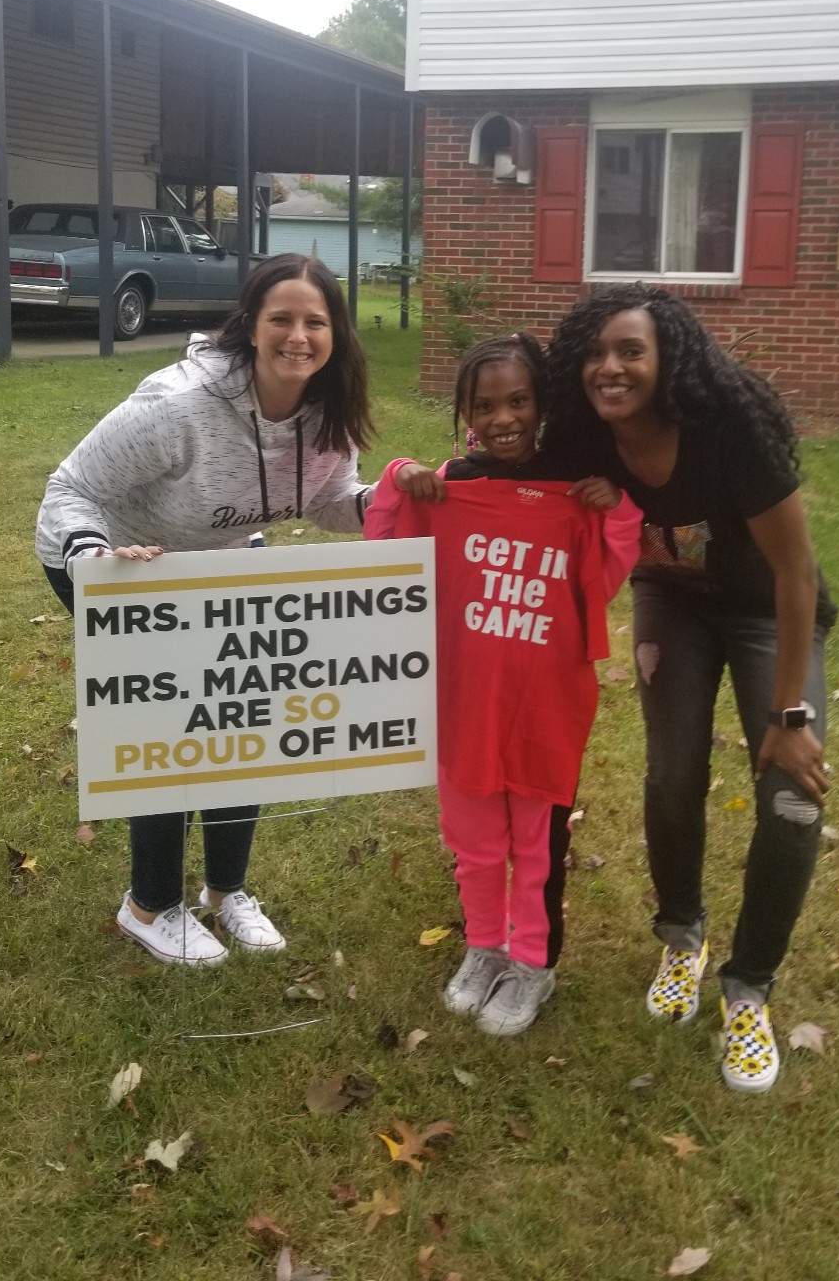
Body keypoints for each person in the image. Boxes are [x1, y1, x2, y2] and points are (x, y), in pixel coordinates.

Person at [35, 253, 374, 967]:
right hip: (116, 563)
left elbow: (332, 505)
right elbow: (70, 487)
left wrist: (396, 504)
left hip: (213, 568)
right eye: (281, 318)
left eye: (315, 321)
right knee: (174, 726)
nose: (298, 335)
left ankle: (227, 892)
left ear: (336, 332)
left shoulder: (326, 410)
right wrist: (94, 557)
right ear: (250, 325)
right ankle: (149, 905)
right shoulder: (178, 405)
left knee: (241, 718)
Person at [542, 287, 835, 1093]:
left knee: (791, 796)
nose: (611, 367)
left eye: (631, 350)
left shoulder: (728, 430)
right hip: (670, 601)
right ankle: (682, 938)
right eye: (597, 352)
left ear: (667, 359)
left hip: (763, 612)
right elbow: (508, 475)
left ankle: (749, 989)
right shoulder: (583, 432)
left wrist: (789, 716)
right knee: (672, 775)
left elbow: (795, 573)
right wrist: (433, 479)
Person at [365, 333, 638, 1035]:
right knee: (475, 843)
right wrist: (400, 475)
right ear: (464, 410)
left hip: (545, 713)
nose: (504, 417)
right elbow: (386, 555)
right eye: (485, 405)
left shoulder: (570, 491)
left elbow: (603, 582)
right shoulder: (451, 486)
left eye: (518, 400)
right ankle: (484, 948)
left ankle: (533, 964)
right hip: (464, 706)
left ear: (541, 404)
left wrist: (613, 508)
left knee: (538, 849)